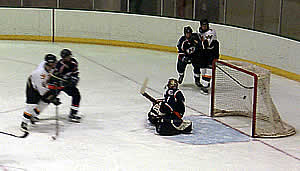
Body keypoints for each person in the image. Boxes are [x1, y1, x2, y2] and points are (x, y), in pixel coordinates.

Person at [20, 54, 61, 132]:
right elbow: (42, 91)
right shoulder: (39, 73)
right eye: (53, 63)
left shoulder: (50, 66)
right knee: (31, 105)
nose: (55, 65)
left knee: (45, 102)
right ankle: (24, 122)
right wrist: (53, 98)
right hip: (33, 87)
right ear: (49, 63)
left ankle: (33, 116)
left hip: (43, 85)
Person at [51, 48, 81, 123]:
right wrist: (59, 82)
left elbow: (75, 72)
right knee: (48, 98)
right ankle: (34, 114)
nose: (69, 58)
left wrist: (74, 79)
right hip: (59, 85)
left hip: (67, 85)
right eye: (67, 57)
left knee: (76, 95)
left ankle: (73, 114)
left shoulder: (74, 62)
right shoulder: (59, 65)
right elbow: (54, 77)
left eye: (69, 56)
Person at [197, 19, 219, 90]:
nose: (204, 27)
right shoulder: (199, 31)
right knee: (203, 69)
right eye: (203, 25)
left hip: (212, 53)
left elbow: (207, 44)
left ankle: (205, 85)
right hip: (203, 53)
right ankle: (205, 82)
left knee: (209, 69)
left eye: (205, 25)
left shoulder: (211, 32)